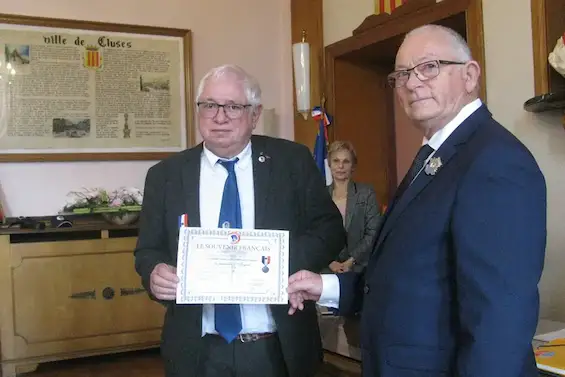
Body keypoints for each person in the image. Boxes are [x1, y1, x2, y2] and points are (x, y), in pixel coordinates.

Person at [287, 24, 547, 377]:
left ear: (470, 76)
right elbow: (404, 280)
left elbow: (499, 320)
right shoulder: (434, 156)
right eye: (402, 74)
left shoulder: (494, 160)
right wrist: (325, 286)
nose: (411, 83)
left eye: (429, 67)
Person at [134, 64, 345, 377]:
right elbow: (147, 250)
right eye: (209, 106)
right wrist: (154, 274)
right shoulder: (165, 176)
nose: (220, 117)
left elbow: (330, 231)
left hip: (276, 346)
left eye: (233, 106)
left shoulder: (292, 162)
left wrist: (278, 265)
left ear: (255, 114)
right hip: (197, 349)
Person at [325, 140, 381, 273]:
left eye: (346, 162)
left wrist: (351, 260)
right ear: (329, 164)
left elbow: (373, 232)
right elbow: (314, 234)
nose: (340, 166)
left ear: (353, 166)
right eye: (336, 161)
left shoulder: (366, 193)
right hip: (326, 270)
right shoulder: (320, 196)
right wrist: (329, 262)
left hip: (359, 269)